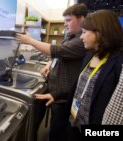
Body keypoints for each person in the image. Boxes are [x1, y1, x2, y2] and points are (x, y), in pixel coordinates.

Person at [16, 3, 88, 141]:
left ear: (81, 19)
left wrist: (29, 40)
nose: (65, 24)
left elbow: (59, 51)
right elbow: (60, 55)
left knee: (57, 134)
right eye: (64, 20)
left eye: (68, 20)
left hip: (63, 98)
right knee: (54, 130)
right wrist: (50, 64)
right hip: (56, 94)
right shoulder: (71, 36)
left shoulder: (81, 40)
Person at [67, 9, 123, 140]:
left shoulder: (119, 62)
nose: (81, 37)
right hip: (75, 123)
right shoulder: (88, 56)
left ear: (100, 33)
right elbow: (79, 87)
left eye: (85, 32)